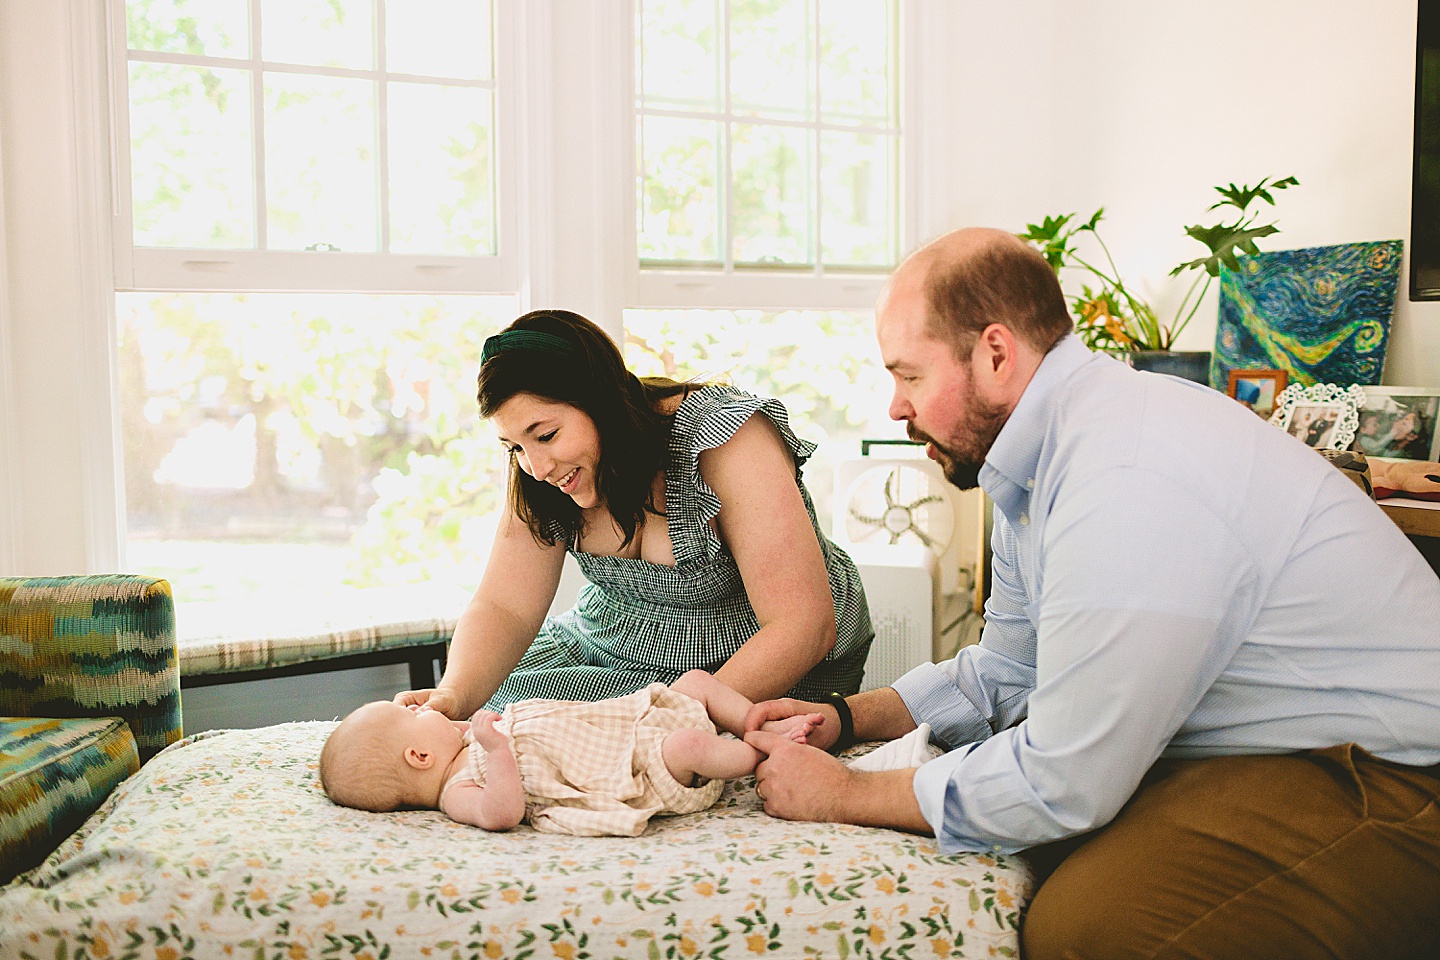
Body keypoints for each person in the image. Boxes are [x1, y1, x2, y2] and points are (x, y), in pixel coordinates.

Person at [742, 227, 1440, 960]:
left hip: (1394, 772)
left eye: (909, 376)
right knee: (1033, 846)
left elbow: (1065, 778)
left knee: (1092, 928)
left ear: (996, 354)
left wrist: (843, 796)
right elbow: (1010, 669)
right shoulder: (1034, 463)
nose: (894, 406)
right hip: (1273, 745)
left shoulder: (1125, 475)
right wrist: (846, 720)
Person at [394, 309, 873, 719]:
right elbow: (505, 607)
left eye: (545, 435)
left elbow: (804, 626)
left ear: (597, 400)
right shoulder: (541, 471)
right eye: (515, 445)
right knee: (500, 717)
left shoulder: (725, 438)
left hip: (759, 660)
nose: (536, 467)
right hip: (612, 644)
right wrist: (454, 695)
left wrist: (671, 720)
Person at [320, 670, 823, 837]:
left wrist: (441, 713)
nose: (420, 709)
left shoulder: (456, 739)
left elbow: (446, 722)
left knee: (695, 684)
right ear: (419, 757)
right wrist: (496, 750)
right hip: (639, 770)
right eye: (411, 717)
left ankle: (757, 720)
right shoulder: (457, 790)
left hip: (627, 723)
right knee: (691, 746)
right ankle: (760, 753)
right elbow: (501, 814)